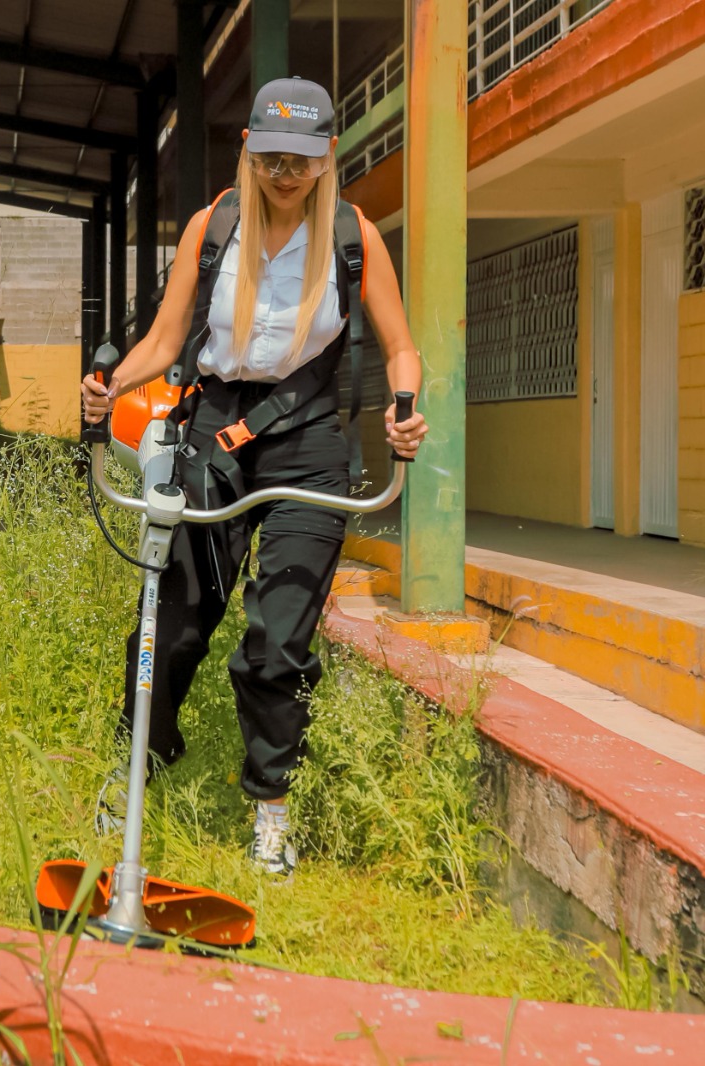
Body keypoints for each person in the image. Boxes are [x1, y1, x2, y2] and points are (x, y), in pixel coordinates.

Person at [81, 77, 427, 877]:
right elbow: (167, 341)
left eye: (300, 159)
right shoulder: (215, 227)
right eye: (270, 156)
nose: (284, 173)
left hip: (308, 441)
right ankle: (138, 768)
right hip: (213, 434)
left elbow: (401, 344)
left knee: (279, 639)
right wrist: (112, 388)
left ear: (327, 154)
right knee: (172, 623)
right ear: (247, 148)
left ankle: (270, 811)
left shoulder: (352, 236)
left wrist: (406, 404)